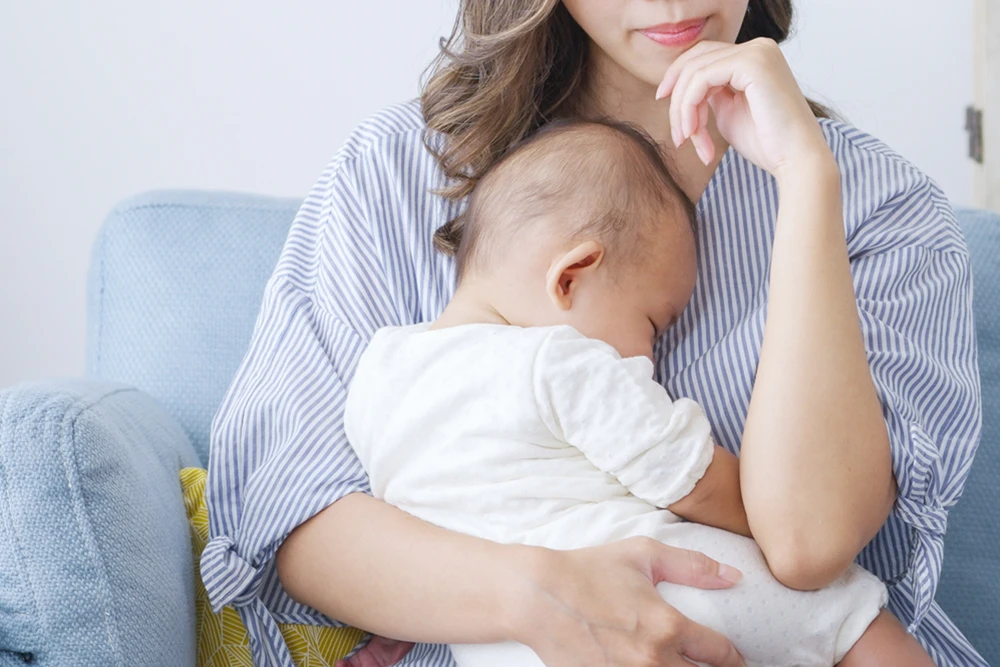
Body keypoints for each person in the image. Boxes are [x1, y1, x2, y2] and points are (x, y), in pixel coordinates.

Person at [202, 1, 985, 666]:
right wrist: (536, 596)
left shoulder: (879, 207)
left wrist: (805, 179)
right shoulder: (398, 171)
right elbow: (293, 509)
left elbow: (809, 544)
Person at [344, 116, 935, 667]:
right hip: (662, 588)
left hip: (501, 646)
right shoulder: (558, 362)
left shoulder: (381, 371)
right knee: (852, 617)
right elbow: (694, 482)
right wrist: (779, 512)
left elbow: (400, 514)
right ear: (570, 277)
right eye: (652, 325)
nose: (651, 355)